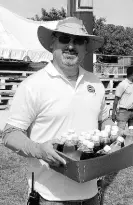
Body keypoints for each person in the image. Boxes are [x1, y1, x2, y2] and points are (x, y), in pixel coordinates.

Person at [2, 17, 112, 205]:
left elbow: (104, 120)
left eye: (78, 41)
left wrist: (112, 133)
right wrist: (39, 150)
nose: (71, 46)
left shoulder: (95, 83)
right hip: (49, 196)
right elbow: (10, 135)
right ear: (53, 43)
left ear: (86, 47)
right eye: (64, 39)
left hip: (91, 193)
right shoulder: (33, 85)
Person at [112, 66, 133, 130]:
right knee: (120, 133)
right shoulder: (122, 84)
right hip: (123, 112)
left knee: (132, 134)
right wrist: (113, 113)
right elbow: (116, 99)